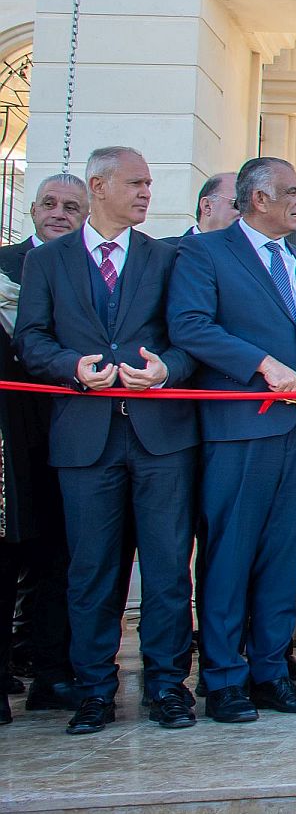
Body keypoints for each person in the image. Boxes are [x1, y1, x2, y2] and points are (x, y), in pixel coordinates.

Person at [14, 148, 197, 733]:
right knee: (91, 571)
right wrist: (73, 367)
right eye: (137, 183)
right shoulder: (49, 263)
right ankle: (94, 689)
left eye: (150, 182)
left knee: (169, 568)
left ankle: (168, 686)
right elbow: (32, 339)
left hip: (160, 438)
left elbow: (189, 338)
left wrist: (165, 369)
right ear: (100, 185)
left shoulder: (167, 258)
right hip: (84, 439)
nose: (148, 192)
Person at [168, 157, 296, 724]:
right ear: (258, 198)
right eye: (292, 192)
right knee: (230, 554)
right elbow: (191, 325)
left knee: (285, 555)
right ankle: (223, 679)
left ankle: (271, 672)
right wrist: (261, 364)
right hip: (242, 428)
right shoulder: (205, 252)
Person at [0, 172, 86, 722]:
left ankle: (51, 672)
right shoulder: (5, 266)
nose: (59, 212)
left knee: (62, 552)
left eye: (71, 206)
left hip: (72, 428)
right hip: (10, 434)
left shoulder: (91, 266)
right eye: (50, 203)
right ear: (33, 209)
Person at [183, 172, 238, 237]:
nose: (248, 213)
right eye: (238, 204)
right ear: (207, 206)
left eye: (252, 207)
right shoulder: (172, 246)